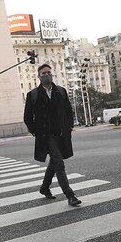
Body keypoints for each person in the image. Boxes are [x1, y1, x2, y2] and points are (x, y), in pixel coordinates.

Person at [23, 63, 82, 206]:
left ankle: (44, 187)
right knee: (59, 163)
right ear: (38, 76)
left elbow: (68, 111)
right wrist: (35, 132)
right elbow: (27, 117)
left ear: (52, 74)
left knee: (55, 162)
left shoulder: (61, 91)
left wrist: (69, 127)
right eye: (43, 73)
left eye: (48, 72)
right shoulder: (33, 95)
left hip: (61, 133)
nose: (46, 75)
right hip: (46, 136)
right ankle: (70, 195)